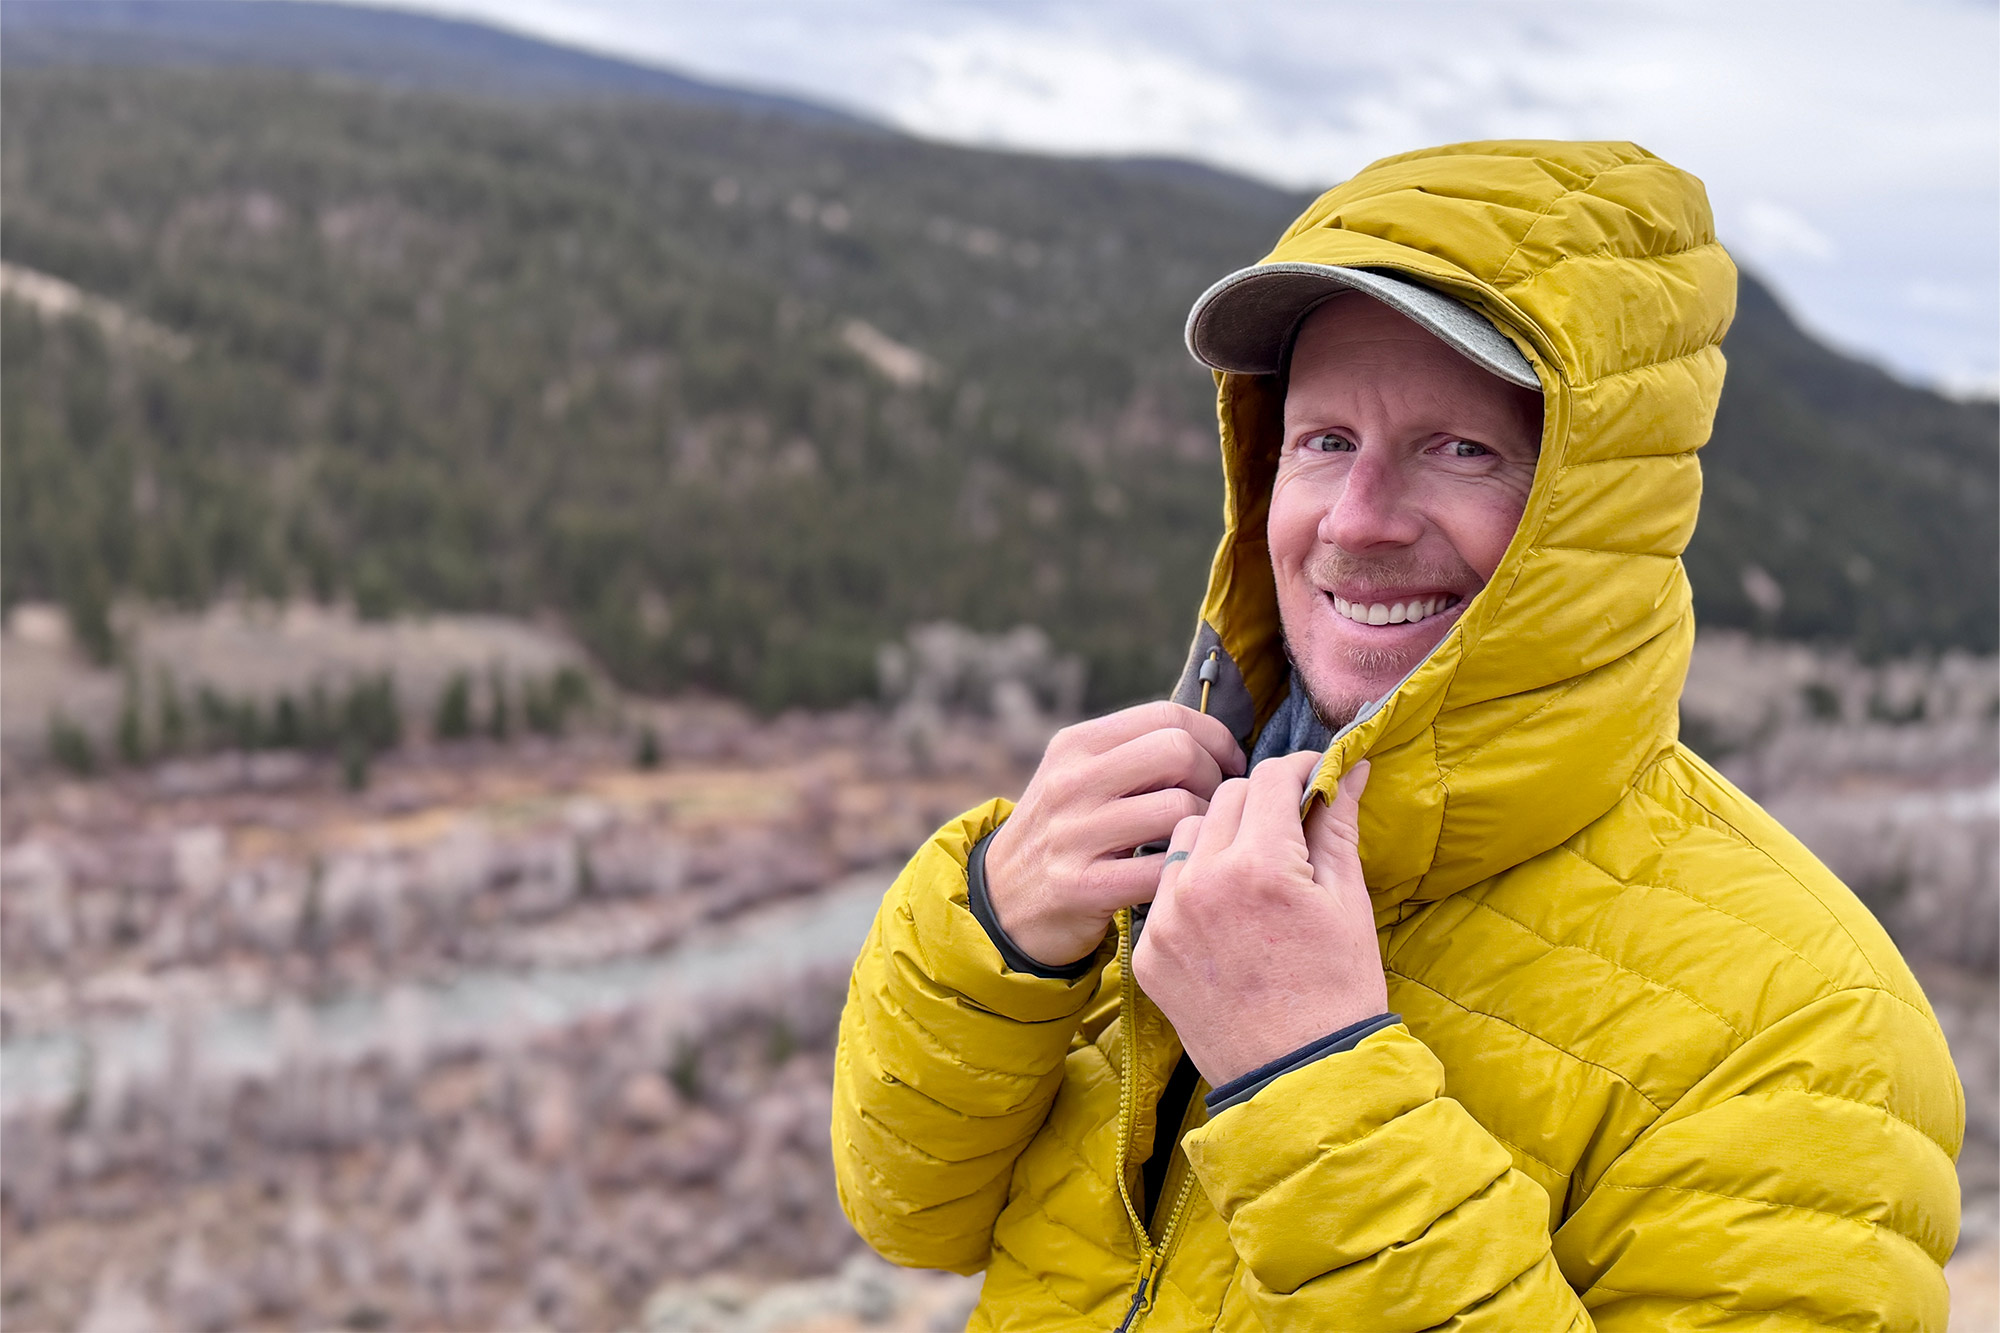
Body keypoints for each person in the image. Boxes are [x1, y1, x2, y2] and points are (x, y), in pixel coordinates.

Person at [831, 140, 1965, 1330]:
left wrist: (1308, 1079)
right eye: (1321, 443)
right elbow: (912, 1213)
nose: (1356, 522)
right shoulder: (1182, 828)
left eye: (1458, 449)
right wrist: (996, 931)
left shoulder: (1808, 1022)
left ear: (1597, 509)